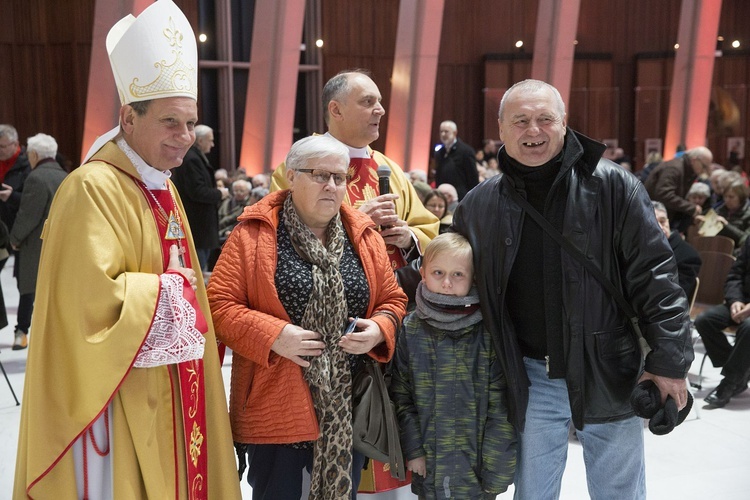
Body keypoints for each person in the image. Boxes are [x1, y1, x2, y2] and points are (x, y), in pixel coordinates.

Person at [13, 2, 241, 498]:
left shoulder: (164, 185)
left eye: (190, 124)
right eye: (169, 123)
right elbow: (89, 311)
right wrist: (173, 290)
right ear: (127, 117)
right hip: (116, 400)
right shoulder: (90, 188)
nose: (184, 139)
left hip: (175, 390)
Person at [451, 79, 692, 500]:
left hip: (609, 369)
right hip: (528, 375)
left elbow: (656, 276)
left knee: (618, 491)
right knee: (534, 493)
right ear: (501, 130)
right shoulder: (479, 204)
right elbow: (454, 277)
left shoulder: (614, 185)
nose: (534, 131)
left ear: (564, 124)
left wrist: (670, 361)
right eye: (521, 121)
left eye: (546, 119)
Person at [208, 135, 407, 499]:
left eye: (339, 177)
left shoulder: (363, 234)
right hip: (276, 401)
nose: (332, 186)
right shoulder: (253, 233)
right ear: (290, 176)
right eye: (319, 175)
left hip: (346, 405)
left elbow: (393, 299)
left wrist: (379, 329)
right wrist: (274, 334)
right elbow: (219, 305)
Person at [389, 232, 516, 499]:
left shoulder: (487, 332)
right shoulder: (410, 330)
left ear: (473, 277)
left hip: (477, 474)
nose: (447, 282)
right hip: (429, 468)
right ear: (422, 273)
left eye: (458, 274)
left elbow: (501, 406)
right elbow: (401, 396)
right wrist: (413, 450)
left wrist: (496, 472)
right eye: (438, 272)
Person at [271, 70, 439, 270]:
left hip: (394, 291)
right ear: (336, 110)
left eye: (379, 101)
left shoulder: (388, 168)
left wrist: (408, 238)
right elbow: (282, 235)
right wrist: (356, 221)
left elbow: (427, 228)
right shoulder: (301, 164)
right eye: (368, 102)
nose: (381, 110)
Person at [8, 133, 67, 350]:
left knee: (28, 291)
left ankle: (22, 333)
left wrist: (14, 239)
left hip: (36, 246)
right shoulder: (65, 175)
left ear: (33, 154)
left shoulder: (36, 177)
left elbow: (28, 215)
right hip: (61, 246)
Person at [693, 236, 750, 408]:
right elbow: (735, 274)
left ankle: (730, 382)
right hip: (741, 301)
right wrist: (735, 300)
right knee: (704, 321)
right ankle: (740, 373)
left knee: (748, 328)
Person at [171, 124, 229, 271]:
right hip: (198, 227)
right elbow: (197, 191)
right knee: (198, 270)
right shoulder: (192, 159)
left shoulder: (192, 157)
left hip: (201, 227)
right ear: (201, 141)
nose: (213, 144)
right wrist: (220, 193)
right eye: (210, 140)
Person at [644, 146, 713, 234]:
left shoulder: (686, 169)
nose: (704, 171)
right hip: (654, 216)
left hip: (660, 216)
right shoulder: (674, 168)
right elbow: (663, 194)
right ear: (694, 160)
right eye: (704, 166)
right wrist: (690, 207)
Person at [653, 201, 702, 300]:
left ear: (668, 221)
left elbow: (674, 297)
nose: (660, 227)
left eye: (662, 221)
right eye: (653, 222)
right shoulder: (635, 248)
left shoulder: (689, 256)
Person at [433, 120, 479, 200]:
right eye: (441, 131)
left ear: (455, 133)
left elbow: (473, 178)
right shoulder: (439, 153)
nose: (443, 134)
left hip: (461, 198)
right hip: (442, 197)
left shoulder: (466, 151)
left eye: (446, 131)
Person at [703, 181, 750, 251]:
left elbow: (745, 240)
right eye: (725, 196)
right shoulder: (720, 209)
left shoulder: (748, 214)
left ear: (741, 198)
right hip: (715, 247)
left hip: (736, 251)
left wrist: (726, 225)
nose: (727, 200)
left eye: (731, 197)